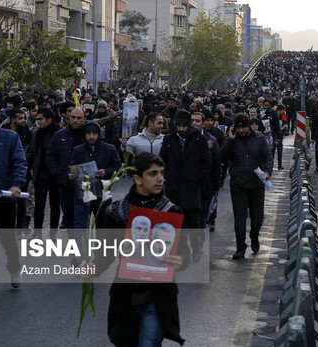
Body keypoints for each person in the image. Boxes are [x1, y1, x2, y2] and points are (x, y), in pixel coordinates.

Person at [91, 152, 189, 346]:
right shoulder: (118, 211)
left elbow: (184, 253)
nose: (160, 178)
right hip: (126, 297)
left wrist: (181, 261)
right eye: (153, 174)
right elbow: (108, 252)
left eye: (162, 173)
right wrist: (91, 268)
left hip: (158, 299)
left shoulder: (171, 212)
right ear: (137, 178)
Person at [159, 110, 211, 262]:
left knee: (193, 222)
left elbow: (206, 163)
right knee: (174, 222)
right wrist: (166, 176)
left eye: (184, 126)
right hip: (173, 188)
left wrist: (197, 178)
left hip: (191, 188)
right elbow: (162, 159)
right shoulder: (169, 140)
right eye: (178, 126)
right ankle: (179, 250)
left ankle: (196, 249)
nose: (181, 129)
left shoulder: (199, 139)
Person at [219, 113, 273, 259]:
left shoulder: (259, 138)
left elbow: (267, 156)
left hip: (256, 183)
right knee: (240, 217)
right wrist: (230, 140)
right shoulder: (233, 140)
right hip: (238, 184)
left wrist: (268, 172)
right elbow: (221, 156)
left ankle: (254, 236)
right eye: (238, 128)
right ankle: (240, 247)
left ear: (249, 126)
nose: (241, 131)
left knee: (257, 217)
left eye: (243, 127)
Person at [0, 104, 27, 290]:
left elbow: (19, 162)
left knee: (7, 239)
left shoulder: (10, 138)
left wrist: (16, 184)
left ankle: (13, 267)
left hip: (4, 196)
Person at [70, 121, 121, 229]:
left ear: (99, 134)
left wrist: (106, 172)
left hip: (102, 194)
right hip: (83, 195)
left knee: (103, 228)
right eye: (88, 134)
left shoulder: (109, 149)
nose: (91, 137)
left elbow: (118, 168)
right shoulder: (78, 150)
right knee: (80, 228)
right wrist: (71, 175)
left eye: (94, 134)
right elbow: (71, 167)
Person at [46, 107, 87, 229]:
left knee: (83, 219)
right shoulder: (59, 135)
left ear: (84, 119)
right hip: (66, 183)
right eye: (73, 117)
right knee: (69, 218)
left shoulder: (89, 135)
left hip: (85, 184)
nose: (75, 120)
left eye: (79, 118)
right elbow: (50, 156)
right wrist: (58, 173)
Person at [27, 108, 61, 234]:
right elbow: (31, 154)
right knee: (39, 205)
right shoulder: (36, 134)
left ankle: (53, 233)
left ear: (49, 119)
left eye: (40, 119)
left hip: (55, 175)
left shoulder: (59, 133)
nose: (38, 122)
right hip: (41, 174)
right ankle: (37, 233)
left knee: (55, 205)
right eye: (36, 120)